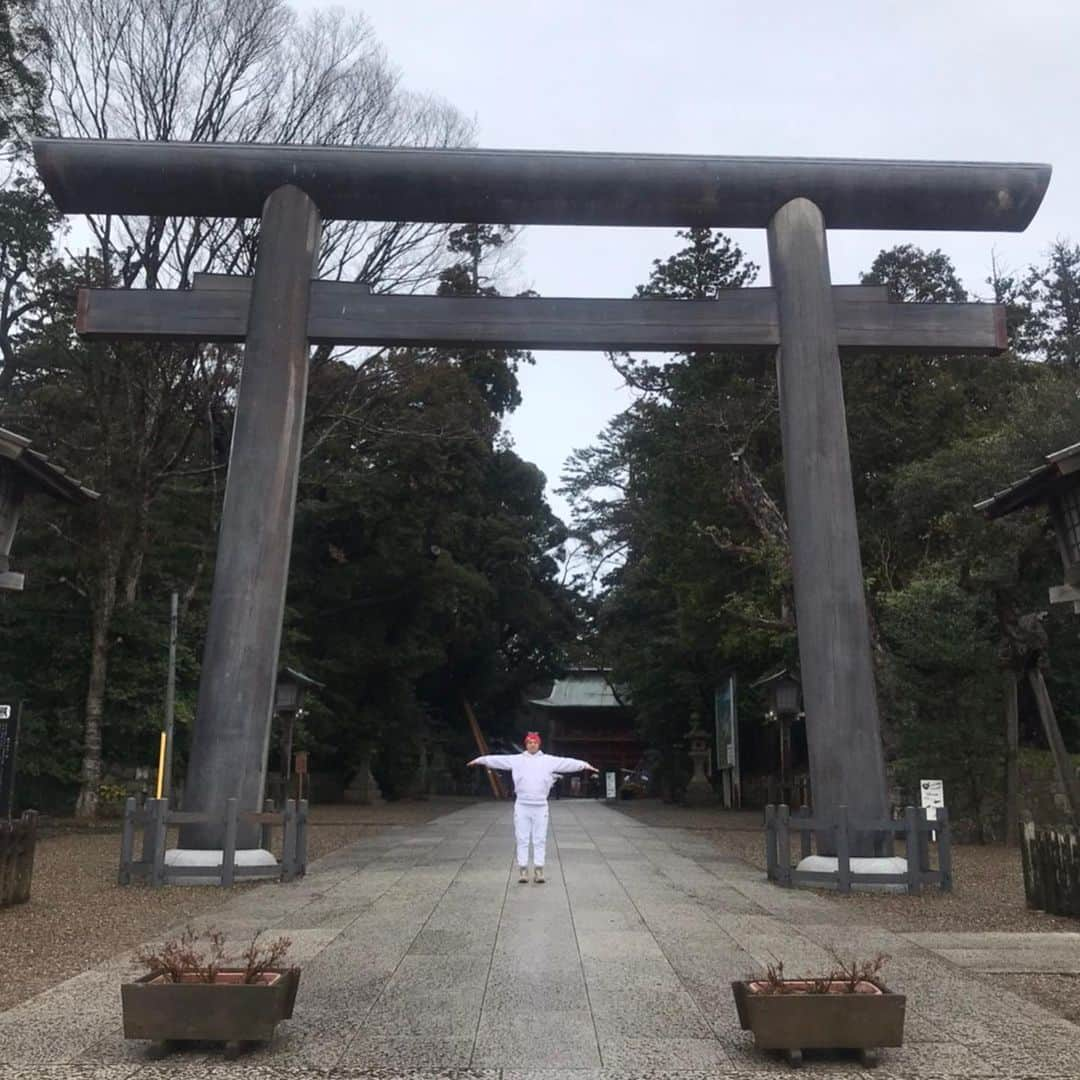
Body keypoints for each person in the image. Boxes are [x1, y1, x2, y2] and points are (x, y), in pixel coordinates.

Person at [468, 732, 597, 883]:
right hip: (522, 805)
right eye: (529, 742)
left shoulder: (548, 760)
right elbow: (497, 760)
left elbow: (566, 763)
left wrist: (584, 765)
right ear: (526, 744)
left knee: (540, 838)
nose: (532, 745)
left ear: (539, 744)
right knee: (522, 838)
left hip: (540, 805)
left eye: (535, 742)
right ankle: (523, 869)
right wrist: (480, 760)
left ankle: (539, 869)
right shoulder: (517, 760)